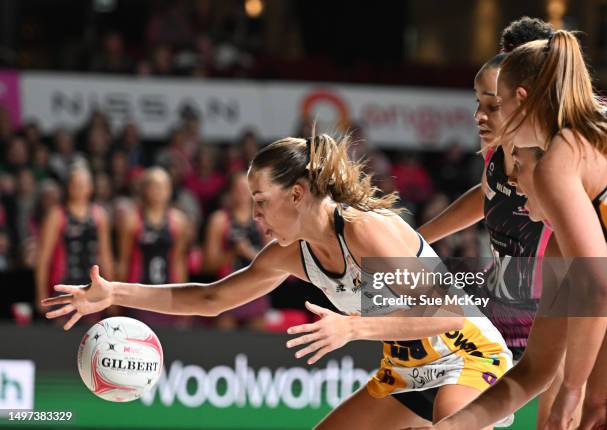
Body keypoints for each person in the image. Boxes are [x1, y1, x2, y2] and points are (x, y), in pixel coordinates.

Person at [43, 134, 513, 430]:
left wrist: (352, 328)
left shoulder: (366, 229)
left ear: (297, 193)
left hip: (468, 355)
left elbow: (448, 311)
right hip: (404, 373)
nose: (255, 215)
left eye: (261, 201)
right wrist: (115, 292)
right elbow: (211, 298)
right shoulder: (291, 254)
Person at [413, 30, 607, 430]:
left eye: (516, 166)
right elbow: (534, 370)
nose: (510, 184)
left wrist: (571, 391)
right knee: (596, 408)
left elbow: (599, 287)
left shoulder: (561, 158)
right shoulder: (563, 237)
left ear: (522, 100)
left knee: (593, 405)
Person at [35, 163, 114, 317]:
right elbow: (43, 257)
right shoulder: (56, 215)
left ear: (90, 188)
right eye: (74, 184)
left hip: (92, 287)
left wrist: (113, 293)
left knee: (93, 332)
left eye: (82, 184)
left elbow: (106, 256)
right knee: (62, 331)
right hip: (63, 284)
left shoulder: (100, 215)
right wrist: (41, 292)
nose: (78, 188)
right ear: (68, 187)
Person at [116, 167, 190, 327]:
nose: (158, 191)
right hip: (138, 293)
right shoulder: (131, 220)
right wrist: (117, 299)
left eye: (163, 186)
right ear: (144, 189)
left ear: (169, 190)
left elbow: (178, 261)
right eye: (154, 186)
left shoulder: (178, 221)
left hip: (168, 293)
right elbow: (123, 261)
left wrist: (185, 299)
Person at [201, 171, 270, 330]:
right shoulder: (219, 220)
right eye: (238, 189)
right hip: (227, 290)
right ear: (230, 192)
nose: (243, 193)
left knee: (259, 342)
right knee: (225, 340)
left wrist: (248, 253)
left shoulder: (264, 220)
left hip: (256, 290)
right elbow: (207, 265)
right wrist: (232, 253)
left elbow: (274, 262)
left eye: (247, 189)